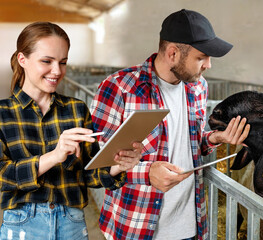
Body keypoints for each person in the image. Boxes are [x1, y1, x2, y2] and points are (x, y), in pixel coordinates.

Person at [90, 9, 250, 240]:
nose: (208, 65)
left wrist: (215, 138)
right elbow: (96, 163)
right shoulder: (119, 87)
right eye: (201, 57)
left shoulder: (198, 86)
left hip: (190, 225)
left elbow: (190, 142)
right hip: (135, 226)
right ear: (173, 53)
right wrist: (147, 173)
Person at [0, 22, 143, 240]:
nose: (57, 71)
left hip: (72, 224)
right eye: (46, 61)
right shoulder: (3, 114)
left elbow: (90, 175)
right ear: (23, 59)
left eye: (63, 62)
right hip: (23, 224)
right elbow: (3, 176)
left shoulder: (76, 109)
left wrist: (117, 166)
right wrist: (54, 156)